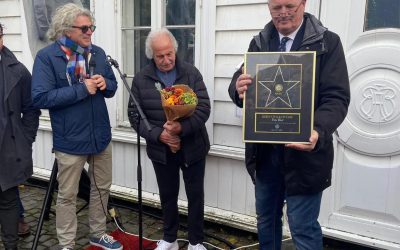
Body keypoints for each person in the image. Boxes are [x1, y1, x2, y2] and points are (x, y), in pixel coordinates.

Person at [228, 0, 351, 249]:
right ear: (269, 7)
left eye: (290, 5)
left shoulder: (328, 43)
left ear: (303, 3)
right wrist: (237, 88)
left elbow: (337, 98)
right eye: (276, 7)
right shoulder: (260, 42)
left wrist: (317, 129)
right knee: (266, 221)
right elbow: (241, 83)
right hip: (265, 154)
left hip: (305, 156)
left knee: (303, 227)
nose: (283, 12)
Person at [31, 3, 122, 250]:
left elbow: (112, 88)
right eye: (84, 28)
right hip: (70, 140)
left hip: (100, 135)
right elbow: (40, 97)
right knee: (67, 196)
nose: (89, 32)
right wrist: (82, 89)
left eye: (91, 27)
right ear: (66, 29)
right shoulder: (47, 57)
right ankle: (67, 244)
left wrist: (106, 83)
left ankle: (97, 233)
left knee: (101, 188)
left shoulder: (99, 53)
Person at [128, 28, 210, 250]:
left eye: (169, 54)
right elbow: (135, 115)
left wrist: (179, 128)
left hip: (192, 146)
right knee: (167, 195)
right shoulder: (141, 78)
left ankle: (195, 241)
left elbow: (204, 109)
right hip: (161, 149)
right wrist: (160, 135)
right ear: (151, 56)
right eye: (159, 56)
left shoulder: (191, 73)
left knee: (195, 196)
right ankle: (170, 238)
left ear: (175, 50)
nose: (166, 60)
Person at [0, 23, 41, 250]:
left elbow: (31, 108)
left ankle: (11, 245)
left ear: (1, 37)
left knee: (8, 202)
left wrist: (25, 139)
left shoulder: (18, 70)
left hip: (9, 149)